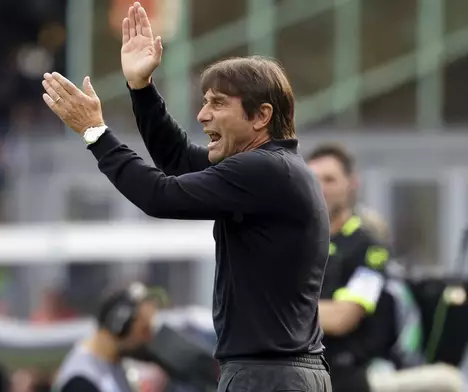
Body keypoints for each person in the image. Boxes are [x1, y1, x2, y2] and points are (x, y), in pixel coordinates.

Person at [41, 2, 331, 391]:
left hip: (268, 377)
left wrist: (95, 133)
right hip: (278, 373)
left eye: (218, 103)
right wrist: (141, 89)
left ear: (261, 116)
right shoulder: (271, 171)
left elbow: (161, 195)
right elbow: (177, 160)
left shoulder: (265, 170)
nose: (202, 115)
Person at [306, 143, 464, 392]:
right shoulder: (294, 240)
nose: (321, 188)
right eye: (313, 179)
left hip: (349, 374)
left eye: (330, 179)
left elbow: (342, 317)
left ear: (351, 183)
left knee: (449, 382)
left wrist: (279, 311)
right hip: (294, 366)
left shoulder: (369, 248)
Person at [52, 282, 159, 392]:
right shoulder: (81, 381)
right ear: (119, 326)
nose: (149, 338)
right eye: (143, 330)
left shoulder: (115, 365)